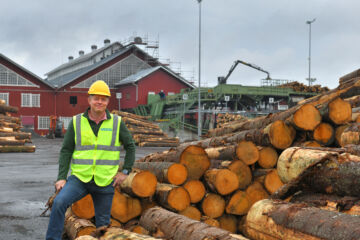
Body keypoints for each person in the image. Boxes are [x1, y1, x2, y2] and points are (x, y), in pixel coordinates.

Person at [46, 80, 135, 240]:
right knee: (59, 203)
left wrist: (125, 172)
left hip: (105, 180)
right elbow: (66, 150)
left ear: (108, 101)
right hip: (79, 178)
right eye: (96, 98)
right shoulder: (76, 121)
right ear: (89, 100)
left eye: (103, 99)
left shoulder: (116, 123)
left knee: (102, 225)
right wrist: (61, 177)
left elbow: (130, 146)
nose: (99, 102)